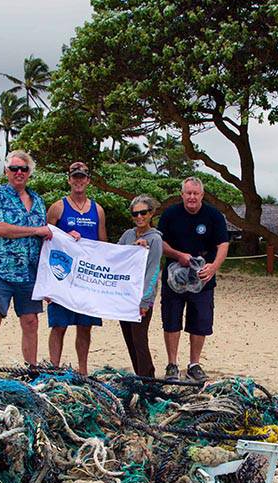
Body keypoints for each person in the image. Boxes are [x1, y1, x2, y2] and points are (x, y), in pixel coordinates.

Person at [0, 150, 52, 367]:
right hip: (0, 271)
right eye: (14, 168)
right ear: (6, 171)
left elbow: (47, 236)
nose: (19, 172)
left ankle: (31, 369)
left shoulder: (38, 201)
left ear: (29, 173)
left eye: (24, 169)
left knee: (31, 322)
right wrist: (35, 230)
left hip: (30, 274)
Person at [157, 176, 229, 381]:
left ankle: (194, 364)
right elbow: (159, 242)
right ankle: (172, 364)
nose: (192, 197)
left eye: (195, 193)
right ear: (182, 194)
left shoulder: (214, 215)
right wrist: (178, 255)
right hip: (174, 277)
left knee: (200, 321)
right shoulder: (170, 214)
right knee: (171, 320)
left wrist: (214, 267)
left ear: (202, 195)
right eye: (188, 193)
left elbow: (223, 244)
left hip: (203, 278)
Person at [44, 161, 107, 373]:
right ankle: (54, 367)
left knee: (85, 326)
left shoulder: (97, 210)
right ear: (69, 179)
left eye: (83, 177)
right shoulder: (58, 207)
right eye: (75, 177)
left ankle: (83, 369)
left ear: (88, 180)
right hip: (62, 276)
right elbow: (47, 242)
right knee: (59, 325)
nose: (79, 181)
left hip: (86, 279)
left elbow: (102, 246)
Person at [117, 194, 163, 377]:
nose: (139, 217)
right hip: (125, 296)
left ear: (151, 214)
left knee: (139, 340)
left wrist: (146, 301)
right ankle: (139, 374)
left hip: (142, 298)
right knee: (129, 339)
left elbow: (153, 271)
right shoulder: (128, 235)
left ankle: (147, 376)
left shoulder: (155, 240)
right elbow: (114, 257)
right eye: (135, 214)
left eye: (143, 213)